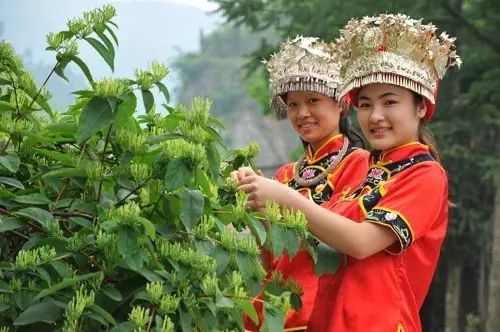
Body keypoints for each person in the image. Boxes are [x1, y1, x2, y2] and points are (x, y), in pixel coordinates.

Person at [237, 14, 461, 331]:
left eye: (390, 102)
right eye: (366, 105)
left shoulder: (425, 174)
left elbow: (359, 242)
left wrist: (285, 198)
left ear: (421, 107)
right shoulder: (368, 172)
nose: (376, 116)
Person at [239, 36, 370, 331]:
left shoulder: (361, 164)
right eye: (294, 104)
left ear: (341, 102)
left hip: (324, 312)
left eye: (313, 100)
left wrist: (282, 200)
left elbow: (342, 246)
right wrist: (250, 206)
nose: (302, 113)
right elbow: (271, 256)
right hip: (275, 311)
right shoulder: (285, 174)